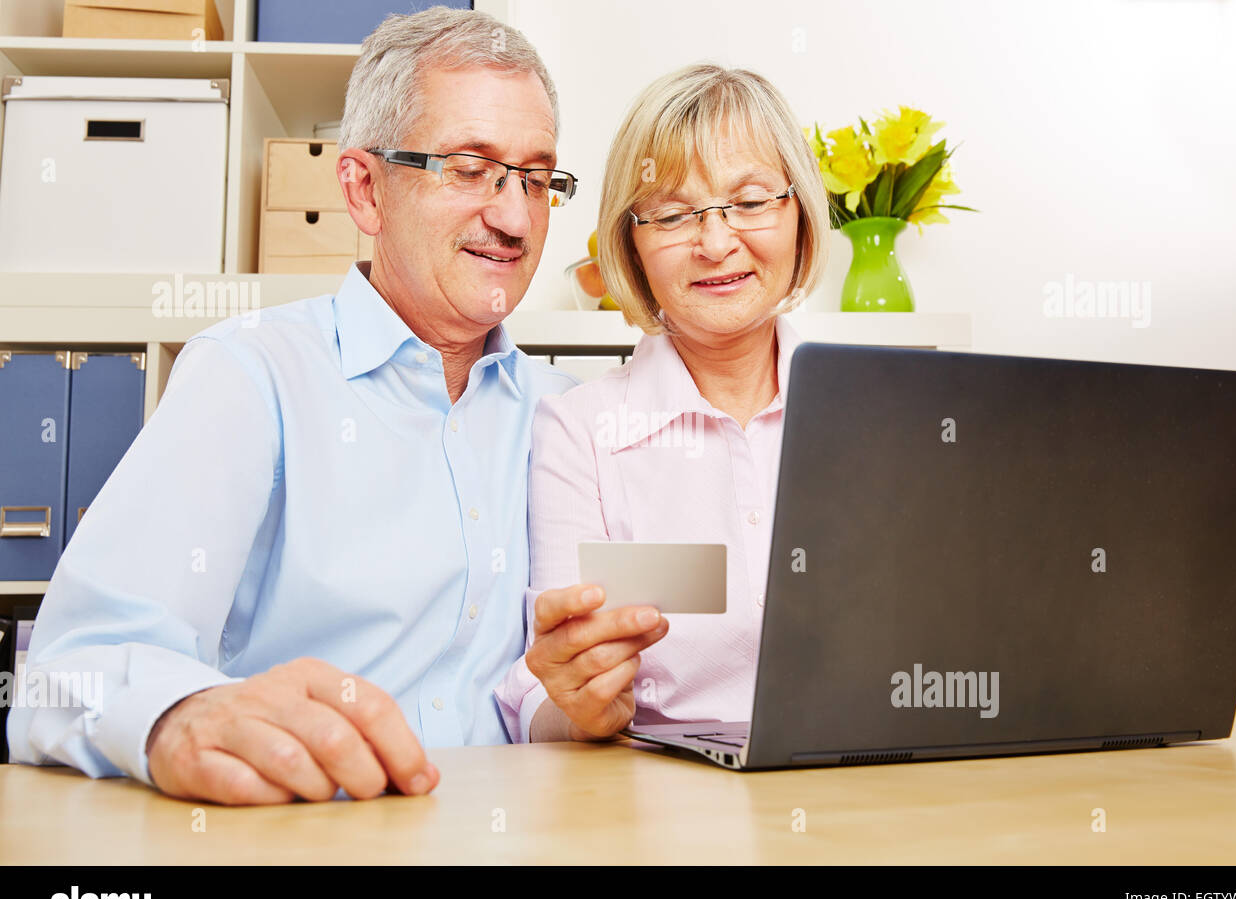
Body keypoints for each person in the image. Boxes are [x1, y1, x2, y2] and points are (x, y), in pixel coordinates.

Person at [7, 7, 662, 805]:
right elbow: (71, 668)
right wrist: (181, 718)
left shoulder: (568, 417)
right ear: (363, 189)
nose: (516, 217)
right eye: (468, 167)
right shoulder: (248, 377)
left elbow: (558, 698)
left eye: (535, 177)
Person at [494, 63, 830, 743]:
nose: (714, 242)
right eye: (674, 215)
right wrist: (577, 711)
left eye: (752, 200)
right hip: (662, 797)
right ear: (632, 245)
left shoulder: (877, 416)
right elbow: (542, 682)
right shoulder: (580, 432)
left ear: (799, 215)